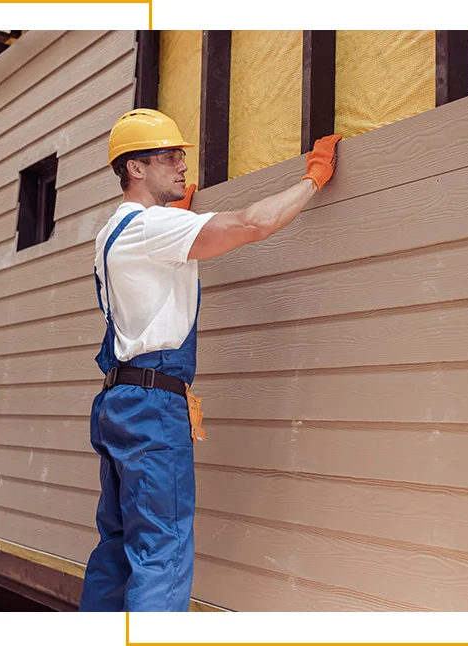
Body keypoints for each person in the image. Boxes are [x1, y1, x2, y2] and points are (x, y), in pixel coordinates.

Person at [78, 108, 341, 612]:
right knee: (162, 552)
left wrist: (179, 219)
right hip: (154, 407)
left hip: (118, 400)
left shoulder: (113, 231)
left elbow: (157, 267)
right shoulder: (151, 227)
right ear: (135, 168)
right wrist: (312, 178)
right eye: (170, 155)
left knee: (118, 547)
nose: (181, 164)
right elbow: (252, 223)